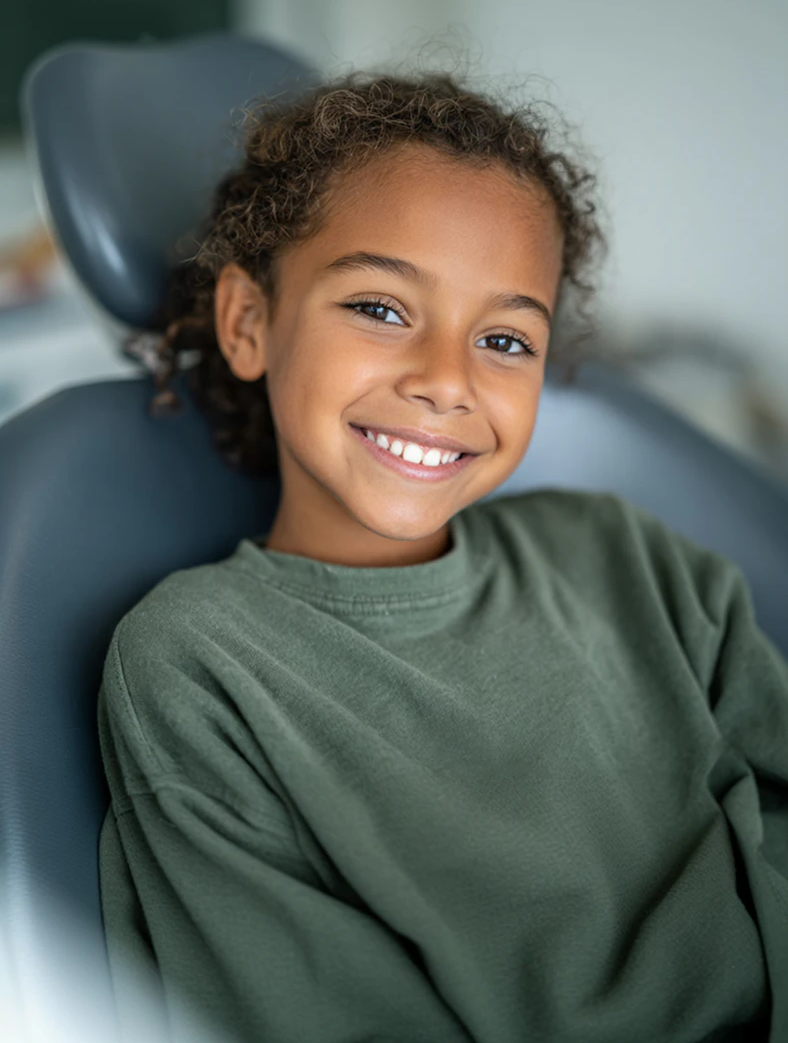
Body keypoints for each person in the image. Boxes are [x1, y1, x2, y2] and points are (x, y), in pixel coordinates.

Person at [96, 70, 788, 1043]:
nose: (443, 381)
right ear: (248, 323)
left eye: (504, 337)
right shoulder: (199, 666)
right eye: (380, 308)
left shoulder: (629, 559)